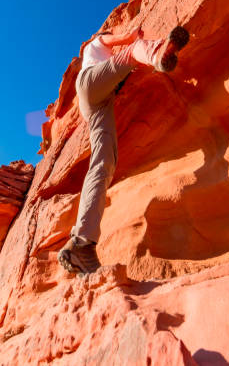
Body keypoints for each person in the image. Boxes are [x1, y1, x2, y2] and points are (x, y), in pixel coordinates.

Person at [57, 25, 190, 275]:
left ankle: (82, 243)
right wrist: (133, 35)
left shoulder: (102, 61)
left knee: (104, 162)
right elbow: (125, 39)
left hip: (97, 105)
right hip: (90, 84)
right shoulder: (97, 43)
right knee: (133, 50)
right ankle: (158, 54)